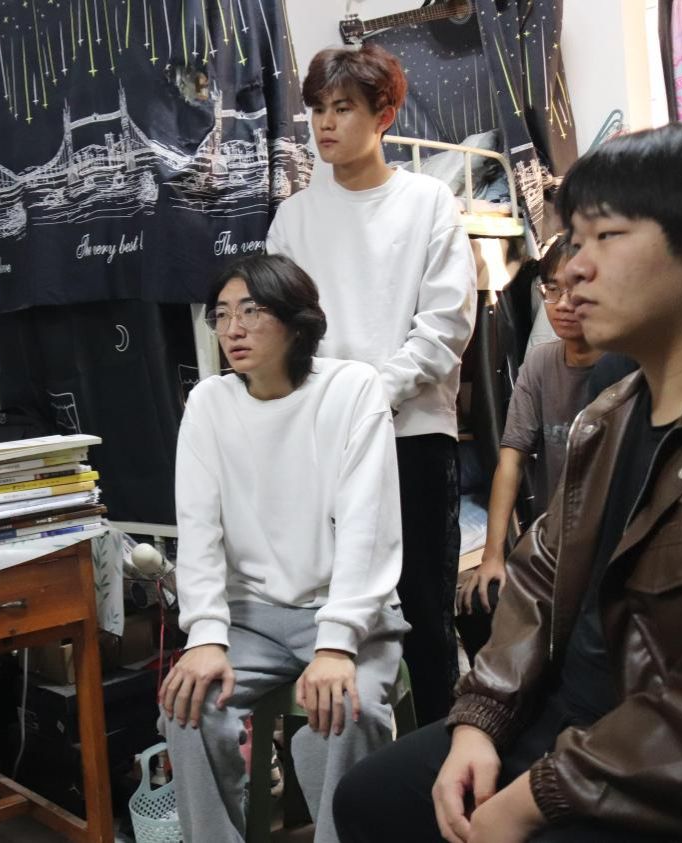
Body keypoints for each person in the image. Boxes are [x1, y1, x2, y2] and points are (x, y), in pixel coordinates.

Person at [333, 122, 682, 843]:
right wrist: (481, 718)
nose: (574, 269)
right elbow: (539, 578)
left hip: (651, 760)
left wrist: (540, 793)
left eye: (607, 236)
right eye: (574, 240)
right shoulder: (609, 416)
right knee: (370, 797)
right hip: (561, 718)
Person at [158, 254, 409, 843]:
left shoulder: (352, 389)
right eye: (222, 315)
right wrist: (205, 635)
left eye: (251, 311)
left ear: (297, 323)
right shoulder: (209, 403)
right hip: (251, 617)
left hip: (346, 608)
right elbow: (198, 529)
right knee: (185, 708)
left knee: (344, 714)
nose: (233, 329)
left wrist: (337, 642)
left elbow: (366, 527)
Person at [266, 44, 477, 725]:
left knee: (424, 613)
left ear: (384, 115)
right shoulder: (295, 218)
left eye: (343, 108)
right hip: (323, 446)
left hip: (412, 438)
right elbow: (280, 332)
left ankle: (441, 757)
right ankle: (357, 765)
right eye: (317, 110)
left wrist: (369, 394)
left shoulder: (428, 201)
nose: (325, 124)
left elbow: (446, 325)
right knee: (336, 613)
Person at [455, 237, 602, 655]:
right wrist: (493, 556)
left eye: (575, 290)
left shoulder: (624, 367)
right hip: (548, 544)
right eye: (552, 290)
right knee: (477, 601)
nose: (562, 304)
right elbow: (511, 458)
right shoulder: (540, 363)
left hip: (600, 551)